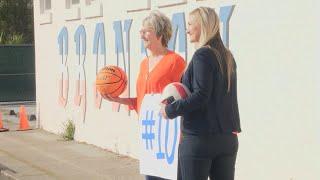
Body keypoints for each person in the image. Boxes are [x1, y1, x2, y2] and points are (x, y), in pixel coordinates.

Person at [101, 10, 186, 180]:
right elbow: (143, 100)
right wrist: (119, 99)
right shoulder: (143, 63)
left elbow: (183, 97)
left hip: (168, 137)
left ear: (160, 33)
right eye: (141, 31)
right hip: (149, 134)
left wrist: (181, 134)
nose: (141, 34)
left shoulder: (176, 61)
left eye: (146, 30)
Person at [160, 7, 241, 180]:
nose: (187, 29)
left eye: (190, 24)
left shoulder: (202, 55)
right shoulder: (227, 56)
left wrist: (170, 110)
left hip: (200, 139)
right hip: (227, 140)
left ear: (202, 26)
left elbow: (201, 95)